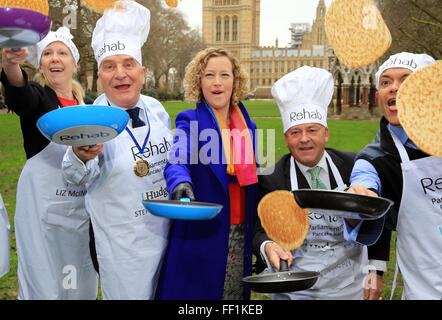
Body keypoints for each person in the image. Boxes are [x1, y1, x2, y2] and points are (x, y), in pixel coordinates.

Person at [61, 0, 172, 299]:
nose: (120, 74)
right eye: (109, 66)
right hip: (122, 250)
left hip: (169, 241)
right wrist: (80, 155)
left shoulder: (158, 110)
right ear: (100, 77)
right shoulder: (90, 119)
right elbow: (73, 174)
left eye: (128, 64)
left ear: (143, 72)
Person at [252, 66, 369, 300]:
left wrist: (377, 268)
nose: (304, 139)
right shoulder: (272, 177)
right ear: (286, 139)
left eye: (312, 130)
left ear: (325, 133)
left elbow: (378, 218)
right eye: (295, 132)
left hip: (348, 286)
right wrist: (267, 246)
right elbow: (258, 231)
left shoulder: (354, 165)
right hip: (295, 289)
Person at [0, 27, 98, 300]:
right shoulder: (38, 97)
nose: (55, 58)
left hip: (79, 212)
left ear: (74, 64)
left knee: (77, 282)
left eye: (62, 53)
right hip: (42, 213)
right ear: (41, 64)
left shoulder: (88, 105)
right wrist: (10, 63)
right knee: (43, 284)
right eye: (48, 54)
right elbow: (19, 93)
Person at [154, 47, 259, 300]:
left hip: (239, 234)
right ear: (198, 82)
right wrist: (180, 183)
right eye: (209, 75)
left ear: (236, 81)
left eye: (225, 75)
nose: (217, 83)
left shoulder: (249, 126)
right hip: (203, 236)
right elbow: (178, 156)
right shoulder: (189, 120)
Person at [346, 52, 440, 300]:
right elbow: (364, 184)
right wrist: (360, 197)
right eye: (386, 82)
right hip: (426, 287)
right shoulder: (374, 159)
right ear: (378, 97)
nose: (394, 88)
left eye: (405, 80)